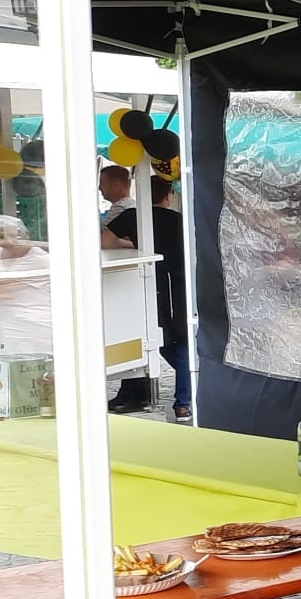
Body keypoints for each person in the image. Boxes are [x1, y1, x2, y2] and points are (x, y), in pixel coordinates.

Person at [102, 176, 190, 418]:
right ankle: (184, 401)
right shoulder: (179, 219)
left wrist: (133, 245)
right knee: (180, 341)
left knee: (154, 338)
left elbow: (104, 241)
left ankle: (185, 393)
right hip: (177, 284)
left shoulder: (132, 216)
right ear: (168, 195)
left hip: (143, 285)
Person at [0, 214, 53, 355]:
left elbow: (3, 289)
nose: (11, 241)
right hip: (8, 325)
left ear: (27, 234)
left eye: (17, 235)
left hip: (34, 326)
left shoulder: (39, 259)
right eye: (2, 236)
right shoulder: (0, 253)